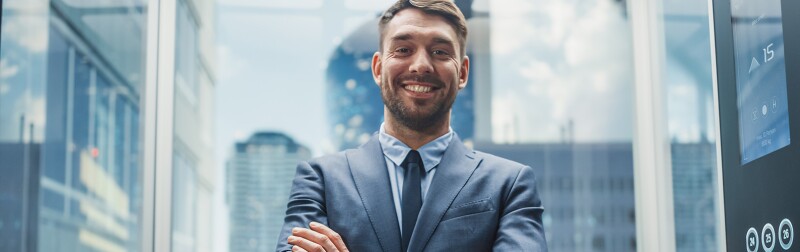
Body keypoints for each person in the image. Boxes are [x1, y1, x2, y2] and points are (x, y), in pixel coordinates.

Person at [276, 0, 547, 251]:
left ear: (462, 72)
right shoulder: (320, 179)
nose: (420, 65)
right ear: (378, 69)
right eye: (403, 49)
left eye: (440, 52)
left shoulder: (509, 185)